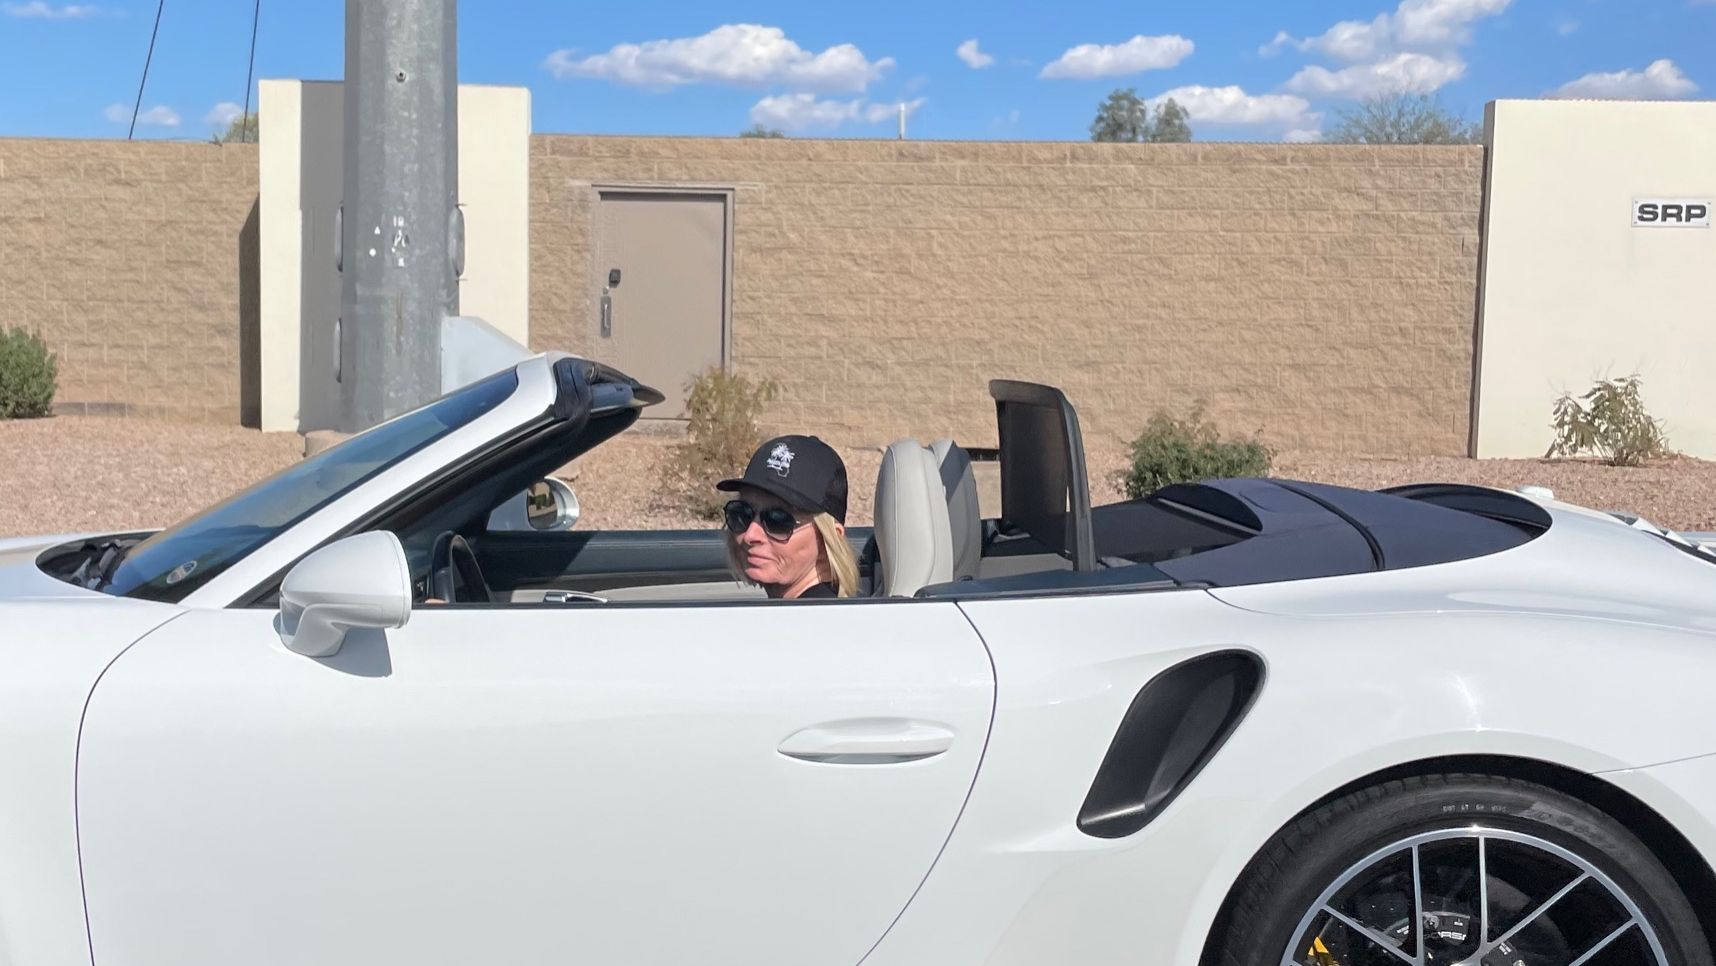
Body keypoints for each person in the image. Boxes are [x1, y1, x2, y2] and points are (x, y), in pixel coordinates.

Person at [717, 434, 859, 599]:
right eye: (742, 513)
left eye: (778, 521)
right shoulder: (795, 611)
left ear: (827, 540)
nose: (750, 535)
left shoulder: (817, 615)